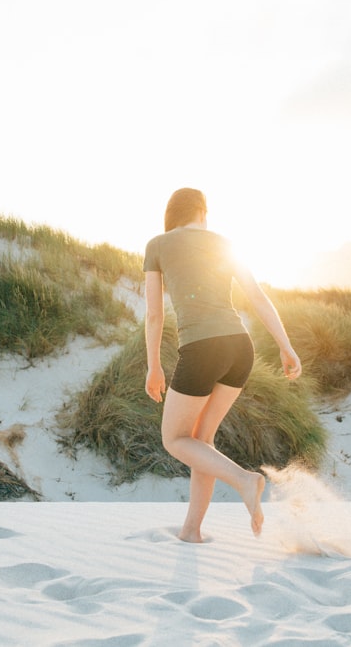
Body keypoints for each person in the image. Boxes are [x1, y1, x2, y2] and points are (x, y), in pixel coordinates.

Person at [143, 187, 302, 542]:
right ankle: (191, 531)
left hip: (202, 349)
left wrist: (153, 365)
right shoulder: (225, 243)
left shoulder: (158, 244)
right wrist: (285, 346)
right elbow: (258, 297)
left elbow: (154, 316)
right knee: (202, 440)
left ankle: (245, 480)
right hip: (239, 349)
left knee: (174, 439)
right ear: (202, 210)